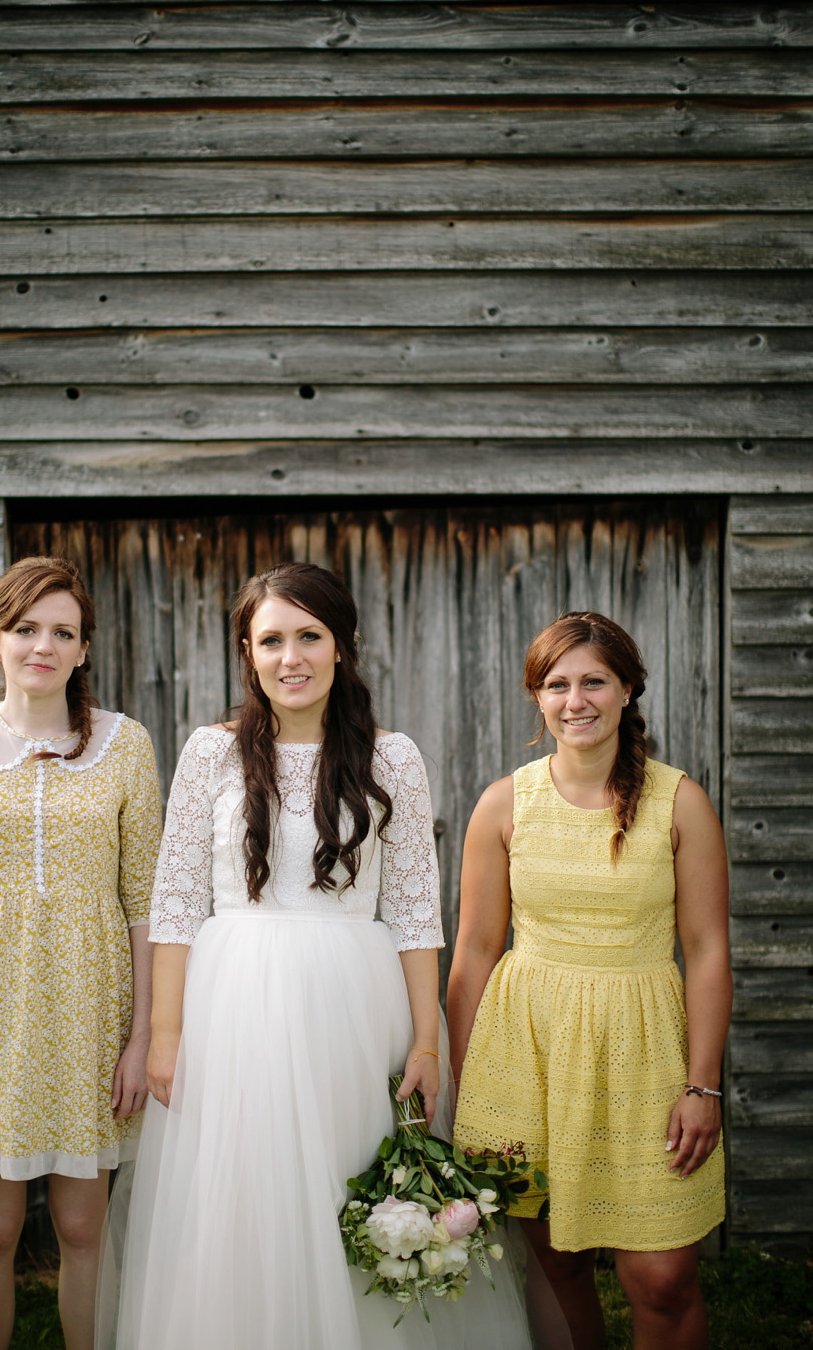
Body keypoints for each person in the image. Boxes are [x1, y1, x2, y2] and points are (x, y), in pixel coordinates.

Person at [99, 562, 532, 1350]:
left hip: (352, 1006)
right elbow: (175, 900)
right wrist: (165, 1034)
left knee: (347, 1183)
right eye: (272, 640)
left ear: (343, 647)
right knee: (242, 1194)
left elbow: (410, 912)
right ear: (247, 651)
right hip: (230, 1004)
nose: (290, 657)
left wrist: (426, 1041)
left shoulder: (391, 757)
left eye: (310, 636)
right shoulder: (211, 753)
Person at [449, 611, 730, 1350]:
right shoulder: (504, 804)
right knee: (553, 1268)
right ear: (537, 698)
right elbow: (475, 949)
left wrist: (703, 1087)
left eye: (594, 681)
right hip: (525, 1057)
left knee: (662, 1279)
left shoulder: (681, 803)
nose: (576, 700)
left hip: (646, 1059)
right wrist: (461, 1084)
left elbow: (705, 951)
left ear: (629, 689)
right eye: (556, 684)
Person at [0, 556, 162, 1350]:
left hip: (91, 1018)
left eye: (63, 632)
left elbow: (145, 905)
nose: (42, 646)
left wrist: (142, 1036)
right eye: (25, 630)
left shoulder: (126, 746)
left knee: (84, 1230)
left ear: (84, 650)